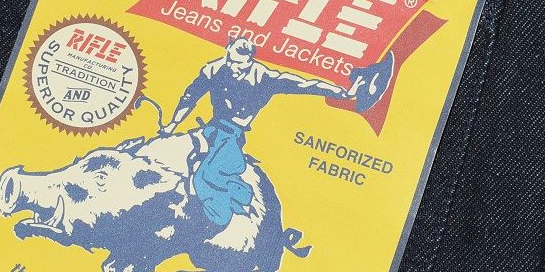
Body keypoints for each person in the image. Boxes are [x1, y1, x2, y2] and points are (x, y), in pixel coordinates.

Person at [161, 37, 393, 227]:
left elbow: (304, 85)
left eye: (239, 65)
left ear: (249, 61)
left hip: (232, 134)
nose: (233, 67)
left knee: (206, 176)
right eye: (230, 60)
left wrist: (343, 94)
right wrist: (172, 125)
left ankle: (221, 216)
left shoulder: (264, 77)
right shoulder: (214, 69)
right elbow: (190, 97)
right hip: (211, 128)